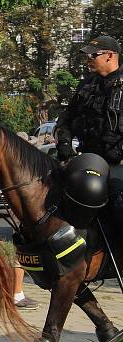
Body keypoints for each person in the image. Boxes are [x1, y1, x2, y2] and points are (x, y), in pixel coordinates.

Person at [55, 35, 123, 229]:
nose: (88, 60)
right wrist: (65, 147)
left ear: (110, 56)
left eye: (93, 55)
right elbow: (66, 120)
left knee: (119, 204)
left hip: (119, 164)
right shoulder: (86, 85)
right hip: (89, 161)